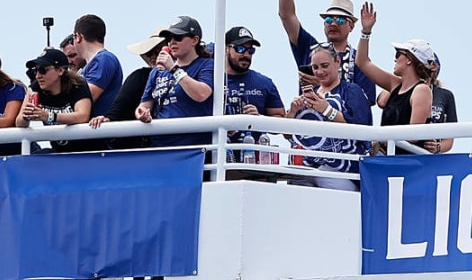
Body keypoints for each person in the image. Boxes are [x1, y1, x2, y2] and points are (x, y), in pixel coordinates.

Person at [276, 0, 376, 114]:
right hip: (309, 130)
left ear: (351, 26)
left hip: (342, 134)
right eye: (329, 19)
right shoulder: (310, 47)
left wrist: (325, 84)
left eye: (341, 19)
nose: (334, 23)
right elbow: (287, 16)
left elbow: (363, 105)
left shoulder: (360, 60)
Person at [286, 43, 368, 191]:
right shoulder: (310, 94)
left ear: (338, 62)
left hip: (341, 170)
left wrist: (327, 110)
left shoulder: (351, 91)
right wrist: (292, 112)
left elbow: (361, 129)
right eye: (315, 67)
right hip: (307, 166)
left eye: (324, 65)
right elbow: (289, 135)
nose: (320, 72)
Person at [353, 10, 435, 147]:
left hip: (405, 163)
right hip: (389, 158)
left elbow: (413, 136)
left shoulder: (422, 90)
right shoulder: (395, 84)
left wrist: (381, 141)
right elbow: (362, 62)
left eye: (398, 54)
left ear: (409, 60)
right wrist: (366, 32)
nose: (395, 58)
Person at [136, 20, 215, 148]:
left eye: (178, 37)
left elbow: (201, 94)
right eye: (169, 38)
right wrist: (142, 113)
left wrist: (173, 69)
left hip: (194, 149)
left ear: (195, 40)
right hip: (160, 146)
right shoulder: (157, 72)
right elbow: (145, 104)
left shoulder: (207, 65)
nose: (172, 42)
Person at [220, 26, 286, 172]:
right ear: (226, 49)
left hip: (255, 165)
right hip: (218, 162)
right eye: (240, 49)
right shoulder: (210, 81)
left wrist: (259, 118)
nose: (246, 55)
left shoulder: (264, 83)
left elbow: (281, 122)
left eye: (251, 50)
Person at [18, 47, 93, 149]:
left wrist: (49, 116)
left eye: (42, 70)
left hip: (87, 150)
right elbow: (19, 122)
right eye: (36, 70)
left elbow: (82, 116)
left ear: (60, 70)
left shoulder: (77, 85)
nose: (37, 76)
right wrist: (26, 117)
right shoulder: (36, 88)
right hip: (58, 151)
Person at [72, 14, 124, 120]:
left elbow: (85, 99)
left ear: (78, 37)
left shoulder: (104, 59)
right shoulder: (89, 66)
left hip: (101, 131)